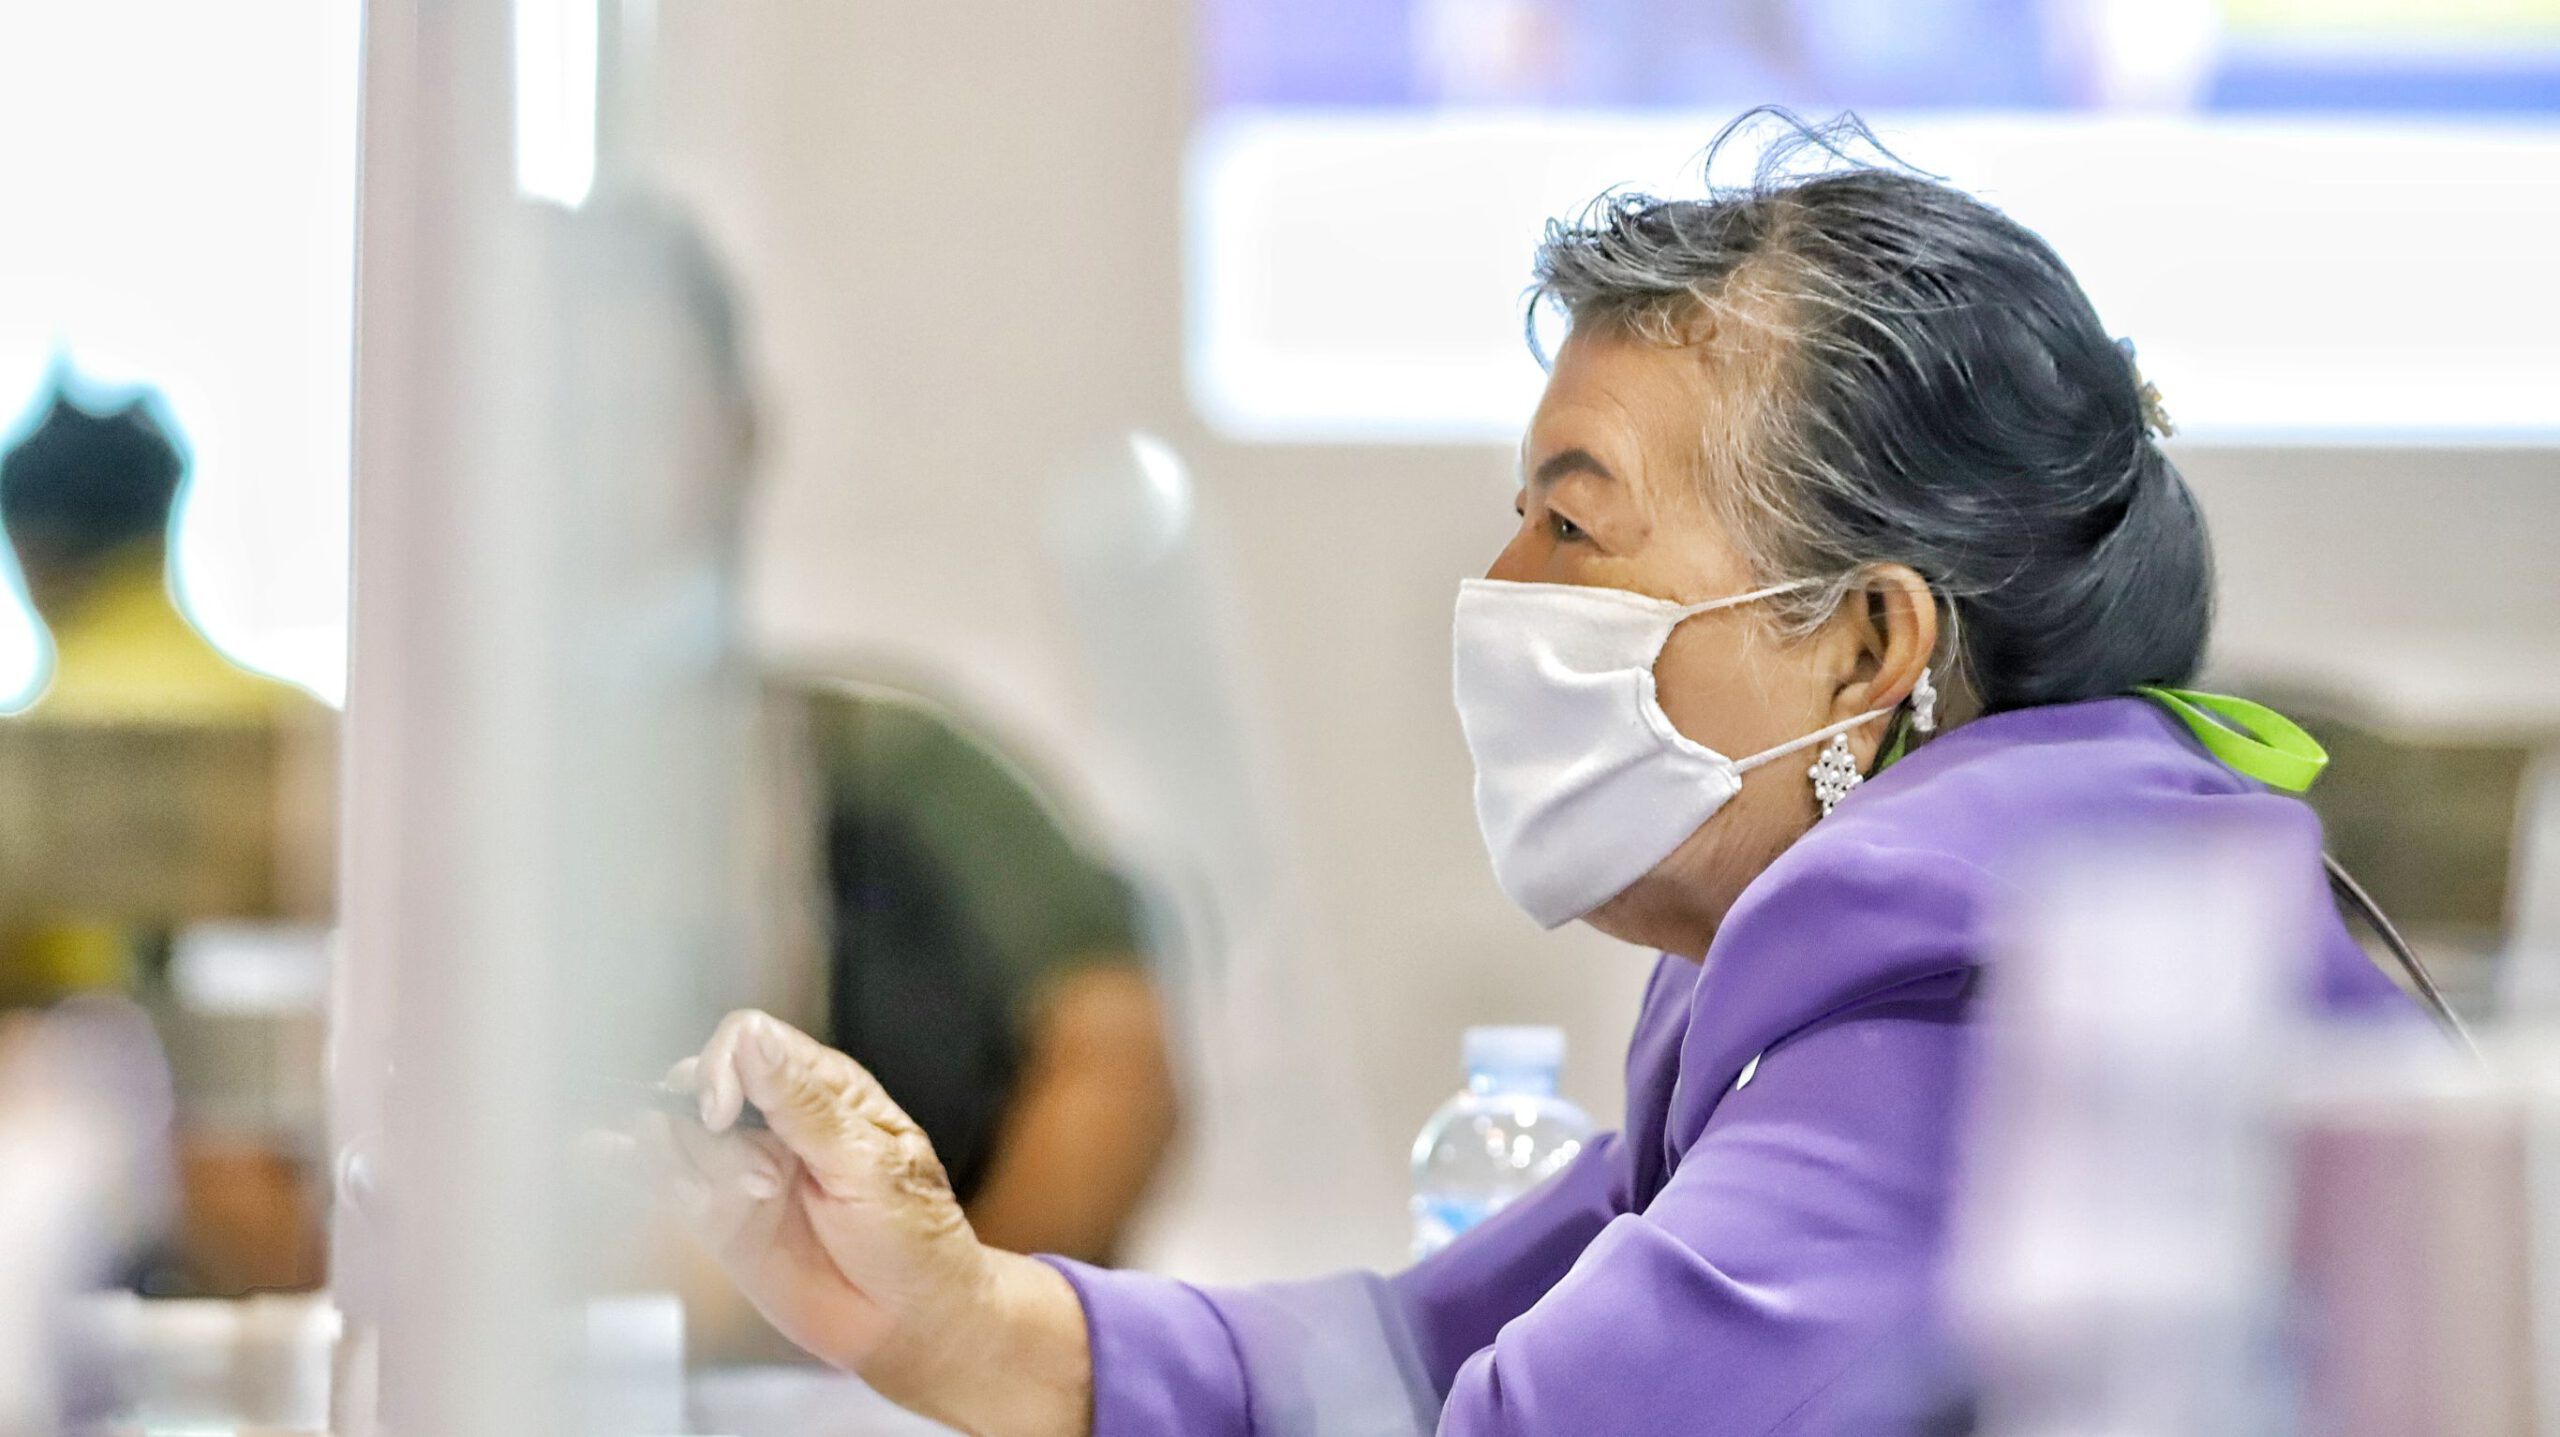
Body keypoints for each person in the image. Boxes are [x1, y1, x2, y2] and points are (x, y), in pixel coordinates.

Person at [649, 116, 2418, 1434]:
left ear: (1870, 644)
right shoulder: (1852, 971)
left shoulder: (1974, 1014)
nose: (1503, 588)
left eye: (1575, 526)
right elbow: (1400, 1359)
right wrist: (953, 1310)